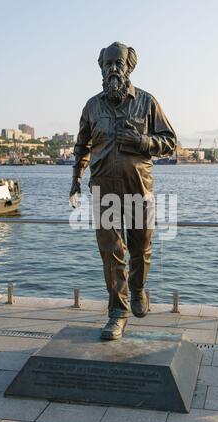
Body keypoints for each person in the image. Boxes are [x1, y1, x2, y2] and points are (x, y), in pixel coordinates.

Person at [70, 42, 177, 340]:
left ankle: (139, 287)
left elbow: (170, 141)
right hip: (103, 190)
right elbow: (82, 147)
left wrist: (143, 141)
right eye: (107, 65)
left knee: (141, 247)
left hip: (139, 189)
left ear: (129, 67)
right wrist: (75, 179)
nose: (112, 69)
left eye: (118, 64)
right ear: (101, 68)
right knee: (112, 252)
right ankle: (117, 312)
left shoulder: (147, 102)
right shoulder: (92, 106)